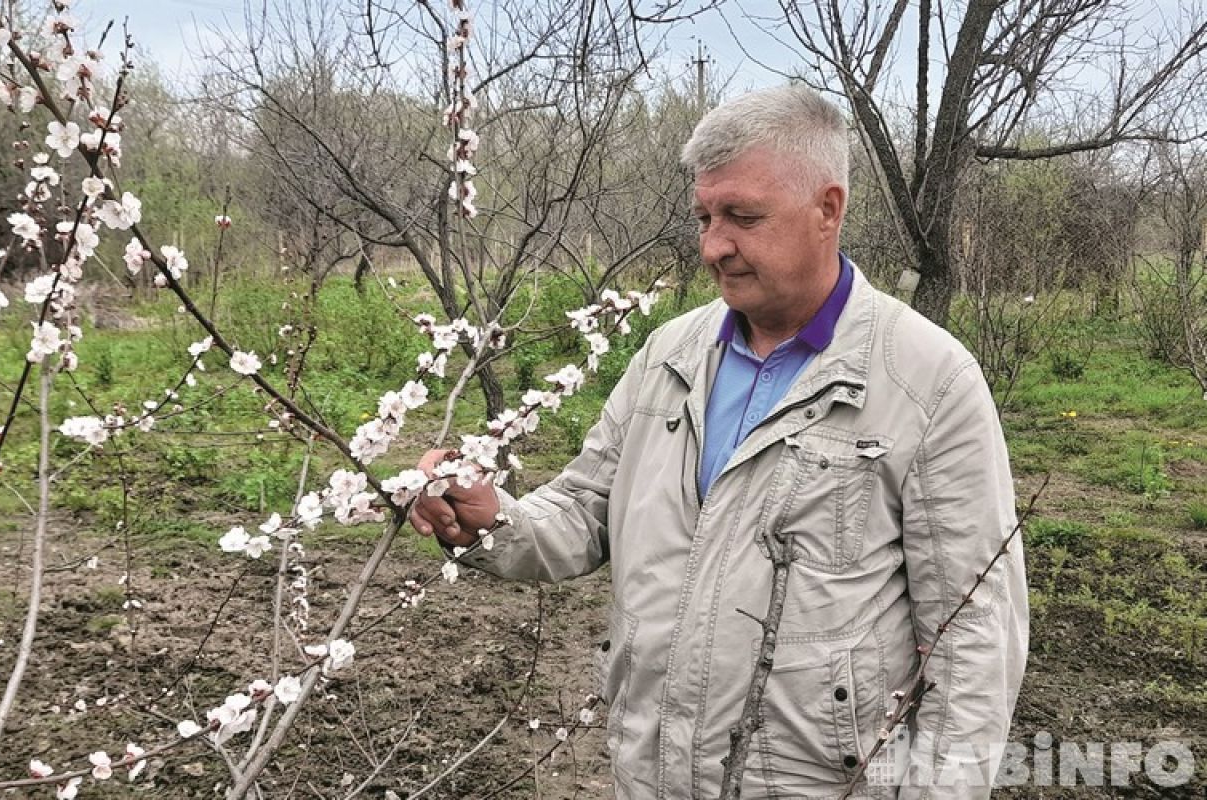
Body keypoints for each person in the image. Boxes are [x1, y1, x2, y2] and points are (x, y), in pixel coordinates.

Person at [411, 84, 1028, 799]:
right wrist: (494, 521)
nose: (713, 246)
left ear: (829, 209)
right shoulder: (669, 356)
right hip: (652, 772)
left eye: (742, 216)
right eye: (704, 216)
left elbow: (974, 631)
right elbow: (585, 510)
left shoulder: (926, 380)